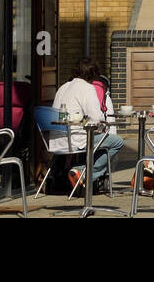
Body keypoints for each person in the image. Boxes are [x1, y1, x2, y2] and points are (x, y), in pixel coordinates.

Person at [51, 58, 124, 193]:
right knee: (116, 142)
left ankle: (78, 172)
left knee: (100, 141)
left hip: (55, 141)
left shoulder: (62, 87)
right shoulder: (87, 88)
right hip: (76, 139)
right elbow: (97, 118)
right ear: (94, 74)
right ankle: (82, 173)